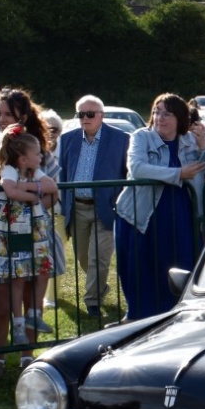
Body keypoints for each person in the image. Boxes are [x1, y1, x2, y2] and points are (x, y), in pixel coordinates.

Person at [0, 87, 60, 377]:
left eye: (7, 113)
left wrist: (29, 197)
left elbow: (53, 195)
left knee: (32, 297)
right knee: (3, 300)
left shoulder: (39, 154)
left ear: (22, 116)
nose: (1, 119)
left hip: (36, 234)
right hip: (5, 235)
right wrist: (10, 218)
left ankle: (27, 357)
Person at [114, 94, 205, 320]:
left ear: (180, 118)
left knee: (180, 266)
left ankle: (180, 316)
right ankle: (141, 318)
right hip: (143, 216)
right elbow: (137, 168)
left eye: (167, 114)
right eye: (156, 112)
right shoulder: (141, 137)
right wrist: (178, 174)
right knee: (143, 269)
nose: (160, 118)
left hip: (181, 217)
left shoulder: (190, 140)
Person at [57, 94, 129, 319]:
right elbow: (63, 172)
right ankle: (100, 287)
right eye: (80, 114)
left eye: (90, 114)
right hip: (77, 207)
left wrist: (119, 201)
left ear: (101, 115)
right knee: (83, 258)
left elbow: (127, 173)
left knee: (99, 257)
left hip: (106, 207)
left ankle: (92, 301)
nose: (85, 118)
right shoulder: (67, 139)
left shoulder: (121, 139)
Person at [0, 129, 55, 368]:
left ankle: (34, 316)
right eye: (37, 154)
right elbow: (9, 190)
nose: (41, 157)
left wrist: (28, 187)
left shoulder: (33, 171)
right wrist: (32, 195)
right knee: (17, 278)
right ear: (23, 159)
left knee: (42, 271)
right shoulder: (8, 169)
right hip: (14, 231)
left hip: (35, 231)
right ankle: (18, 325)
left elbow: (51, 187)